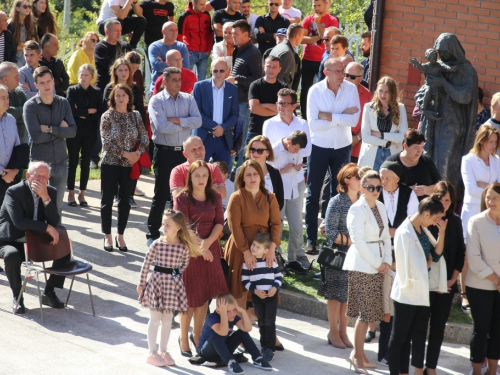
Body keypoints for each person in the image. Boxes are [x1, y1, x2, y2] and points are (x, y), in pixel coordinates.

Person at [305, 57, 360, 255]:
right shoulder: (315, 91)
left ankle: (335, 239)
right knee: (313, 193)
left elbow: (353, 120)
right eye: (337, 71)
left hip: (342, 147)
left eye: (343, 70)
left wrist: (329, 115)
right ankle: (311, 239)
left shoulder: (351, 89)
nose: (342, 75)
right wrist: (341, 115)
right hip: (319, 146)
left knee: (340, 194)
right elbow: (313, 124)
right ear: (326, 71)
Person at [0, 161, 71, 314]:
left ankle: (49, 292)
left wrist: (45, 198)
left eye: (45, 177)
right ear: (27, 176)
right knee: (12, 256)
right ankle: (17, 297)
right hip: (10, 238)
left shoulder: (50, 191)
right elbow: (19, 222)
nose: (41, 180)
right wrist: (46, 228)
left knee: (64, 249)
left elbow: (54, 221)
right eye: (37, 176)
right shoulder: (14, 191)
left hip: (34, 239)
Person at [388, 195, 448, 375]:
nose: (436, 222)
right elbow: (412, 265)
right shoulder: (405, 232)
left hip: (420, 292)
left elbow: (435, 256)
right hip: (407, 292)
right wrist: (427, 263)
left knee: (407, 339)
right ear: (426, 213)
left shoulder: (422, 229)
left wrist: (442, 233)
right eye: (436, 219)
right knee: (399, 338)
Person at [174, 160, 228, 357]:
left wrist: (206, 246)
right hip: (188, 250)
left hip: (210, 249)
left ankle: (197, 337)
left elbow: (219, 222)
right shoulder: (183, 198)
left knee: (204, 296)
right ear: (190, 177)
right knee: (188, 298)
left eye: (205, 175)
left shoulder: (214, 195)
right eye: (197, 175)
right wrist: (199, 247)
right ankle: (182, 337)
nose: (201, 179)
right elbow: (183, 227)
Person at [137, 209, 202, 367]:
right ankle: (151, 352)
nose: (164, 227)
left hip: (172, 286)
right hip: (156, 283)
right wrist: (141, 283)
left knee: (167, 320)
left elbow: (183, 265)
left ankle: (163, 351)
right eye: (163, 224)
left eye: (168, 224)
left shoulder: (183, 248)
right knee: (155, 319)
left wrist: (175, 281)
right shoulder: (157, 244)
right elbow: (146, 264)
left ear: (178, 227)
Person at [413, 182, 465, 375]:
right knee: (420, 326)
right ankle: (418, 366)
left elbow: (460, 253)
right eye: (441, 199)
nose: (444, 204)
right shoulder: (427, 220)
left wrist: (452, 280)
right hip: (425, 283)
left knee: (438, 328)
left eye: (448, 200)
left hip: (447, 285)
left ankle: (431, 367)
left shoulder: (456, 221)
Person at [146, 67, 202, 245]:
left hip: (184, 155)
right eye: (174, 80)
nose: (178, 83)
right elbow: (162, 127)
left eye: (179, 79)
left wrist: (178, 121)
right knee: (161, 193)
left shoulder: (188, 98)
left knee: (183, 194)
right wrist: (186, 123)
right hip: (164, 152)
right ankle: (153, 233)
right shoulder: (156, 101)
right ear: (164, 82)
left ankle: (179, 232)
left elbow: (198, 121)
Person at [343, 170, 392, 373]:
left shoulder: (380, 206)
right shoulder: (356, 209)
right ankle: (356, 356)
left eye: (378, 187)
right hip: (362, 266)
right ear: (362, 188)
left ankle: (360, 354)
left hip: (379, 264)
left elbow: (386, 237)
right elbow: (359, 242)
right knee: (364, 315)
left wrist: (387, 261)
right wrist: (376, 263)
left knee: (371, 313)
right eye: (371, 187)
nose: (375, 191)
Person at [224, 159, 281, 310]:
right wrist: (246, 252)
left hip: (263, 247)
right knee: (239, 289)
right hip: (240, 246)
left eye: (256, 174)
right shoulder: (236, 197)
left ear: (261, 176)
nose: (252, 178)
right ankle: (239, 325)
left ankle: (262, 326)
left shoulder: (270, 197)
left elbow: (276, 223)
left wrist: (272, 248)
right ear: (242, 178)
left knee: (263, 285)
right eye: (248, 175)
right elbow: (234, 226)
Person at [263, 89, 310, 269]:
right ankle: (276, 258)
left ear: (294, 105)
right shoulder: (270, 124)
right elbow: (266, 151)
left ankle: (294, 258)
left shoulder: (303, 123)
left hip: (296, 179)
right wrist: (283, 146)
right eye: (279, 102)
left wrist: (293, 151)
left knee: (297, 224)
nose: (281, 107)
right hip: (277, 181)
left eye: (285, 103)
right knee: (277, 223)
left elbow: (308, 149)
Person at [100, 84, 149, 252]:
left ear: (129, 98)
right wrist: (125, 154)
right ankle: (107, 235)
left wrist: (137, 153)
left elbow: (144, 138)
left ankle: (120, 235)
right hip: (110, 163)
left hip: (130, 165)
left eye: (123, 95)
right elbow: (106, 142)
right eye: (117, 95)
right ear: (113, 98)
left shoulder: (135, 115)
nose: (120, 98)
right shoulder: (107, 116)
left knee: (125, 201)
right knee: (107, 200)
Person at [23, 66, 76, 217]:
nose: (46, 86)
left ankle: (56, 240)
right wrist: (60, 131)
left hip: (60, 162)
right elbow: (36, 137)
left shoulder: (63, 103)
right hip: (39, 164)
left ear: (53, 81)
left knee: (57, 208)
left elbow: (72, 132)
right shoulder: (30, 107)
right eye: (42, 83)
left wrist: (49, 129)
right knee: (36, 207)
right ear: (36, 85)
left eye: (48, 81)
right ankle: (37, 240)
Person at [318, 163, 359, 350]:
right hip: (337, 256)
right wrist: (354, 241)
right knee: (335, 296)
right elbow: (331, 232)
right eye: (357, 177)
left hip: (355, 257)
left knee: (348, 297)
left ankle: (343, 331)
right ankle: (333, 331)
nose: (361, 181)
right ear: (347, 179)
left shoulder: (362, 201)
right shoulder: (336, 201)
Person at [460, 124, 500, 314]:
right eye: (490, 141)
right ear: (482, 140)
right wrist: (490, 190)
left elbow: (498, 190)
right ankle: (464, 294)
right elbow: (471, 190)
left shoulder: (497, 160)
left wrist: (485, 187)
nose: (493, 145)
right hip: (473, 212)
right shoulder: (468, 160)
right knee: (469, 254)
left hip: (493, 214)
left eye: (495, 142)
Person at [466, 182, 500, 375]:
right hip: (480, 285)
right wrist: (496, 280)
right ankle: (477, 369)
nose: (490, 201)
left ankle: (493, 371)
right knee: (481, 329)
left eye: (495, 197)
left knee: (497, 330)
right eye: (488, 197)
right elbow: (474, 258)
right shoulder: (476, 221)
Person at [198, 293, 273, 374]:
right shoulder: (212, 318)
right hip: (207, 352)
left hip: (223, 349)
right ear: (218, 311)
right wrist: (223, 313)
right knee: (216, 336)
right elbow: (223, 332)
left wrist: (243, 312)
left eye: (234, 310)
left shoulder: (233, 317)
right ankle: (231, 362)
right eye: (227, 311)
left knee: (242, 332)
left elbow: (247, 329)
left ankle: (257, 358)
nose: (232, 313)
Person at [242, 232, 283, 362]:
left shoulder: (270, 261)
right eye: (253, 245)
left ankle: (270, 348)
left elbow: (279, 277)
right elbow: (245, 280)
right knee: (261, 321)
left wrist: (274, 288)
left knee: (270, 322)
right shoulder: (247, 263)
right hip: (257, 297)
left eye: (258, 247)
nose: (253, 248)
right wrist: (255, 291)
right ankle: (264, 346)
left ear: (266, 250)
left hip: (271, 296)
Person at [228, 19, 263, 171]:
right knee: (232, 136)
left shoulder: (253, 53)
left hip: (243, 102)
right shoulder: (239, 50)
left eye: (235, 33)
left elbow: (257, 79)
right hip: (235, 100)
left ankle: (240, 172)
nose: (232, 36)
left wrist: (236, 79)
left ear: (246, 34)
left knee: (240, 139)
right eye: (231, 33)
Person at [66, 64, 101, 208]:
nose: (83, 77)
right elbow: (70, 111)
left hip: (90, 131)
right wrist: (88, 112)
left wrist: (81, 112)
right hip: (74, 130)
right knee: (73, 162)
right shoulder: (72, 90)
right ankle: (71, 193)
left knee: (85, 162)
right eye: (81, 74)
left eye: (86, 75)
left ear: (92, 77)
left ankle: (82, 194)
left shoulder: (97, 93)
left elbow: (98, 112)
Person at [192, 58, 239, 166]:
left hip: (224, 138)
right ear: (210, 70)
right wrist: (215, 127)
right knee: (198, 171)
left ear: (227, 71)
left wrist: (222, 128)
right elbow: (196, 112)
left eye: (221, 70)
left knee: (221, 176)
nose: (218, 74)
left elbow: (235, 114)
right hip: (203, 137)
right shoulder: (199, 87)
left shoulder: (233, 89)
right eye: (215, 70)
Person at [357, 76, 408, 171]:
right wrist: (388, 142)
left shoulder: (400, 108)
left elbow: (403, 137)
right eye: (380, 91)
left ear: (392, 93)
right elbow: (366, 137)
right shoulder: (369, 107)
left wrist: (380, 135)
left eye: (386, 92)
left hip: (393, 153)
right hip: (372, 154)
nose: (383, 95)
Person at [300, 0, 338, 120]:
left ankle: (320, 113)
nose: (316, 8)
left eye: (319, 5)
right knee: (305, 88)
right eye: (314, 5)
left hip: (323, 59)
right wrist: (317, 38)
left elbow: (328, 38)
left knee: (322, 87)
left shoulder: (332, 20)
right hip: (307, 58)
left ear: (326, 4)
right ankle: (304, 115)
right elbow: (302, 39)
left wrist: (317, 23)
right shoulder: (307, 19)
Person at [386, 129, 441, 200]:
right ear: (405, 146)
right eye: (416, 147)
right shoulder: (391, 163)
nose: (419, 151)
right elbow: (384, 188)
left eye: (422, 147)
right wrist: (407, 191)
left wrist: (426, 190)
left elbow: (440, 186)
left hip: (425, 208)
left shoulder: (427, 161)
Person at [235, 136, 284, 211]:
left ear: (268, 152)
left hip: (269, 217)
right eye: (252, 150)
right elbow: (237, 197)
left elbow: (280, 200)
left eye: (260, 151)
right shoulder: (241, 170)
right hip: (246, 216)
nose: (255, 153)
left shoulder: (274, 173)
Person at [169, 136, 226, 200]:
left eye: (200, 148)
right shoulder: (178, 171)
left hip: (210, 209)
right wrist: (211, 188)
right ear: (185, 154)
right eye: (193, 150)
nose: (198, 152)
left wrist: (189, 190)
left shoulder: (213, 169)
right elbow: (179, 198)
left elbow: (222, 194)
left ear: (204, 149)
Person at [247, 56, 287, 142]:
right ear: (264, 67)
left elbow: (286, 109)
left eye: (274, 67)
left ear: (279, 69)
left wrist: (264, 105)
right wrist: (277, 111)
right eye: (268, 66)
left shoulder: (284, 88)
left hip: (276, 131)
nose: (271, 70)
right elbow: (254, 109)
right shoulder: (255, 85)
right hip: (256, 131)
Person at [177, 0, 213, 81]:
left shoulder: (206, 15)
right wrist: (184, 51)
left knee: (202, 80)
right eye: (201, 5)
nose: (204, 6)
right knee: (186, 79)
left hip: (204, 53)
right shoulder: (184, 16)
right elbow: (179, 35)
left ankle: (200, 94)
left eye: (204, 4)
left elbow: (209, 33)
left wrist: (208, 49)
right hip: (190, 52)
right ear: (193, 4)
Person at [149, 22, 190, 92]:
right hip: (159, 88)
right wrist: (177, 64)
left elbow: (185, 67)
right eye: (171, 30)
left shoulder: (182, 46)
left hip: (178, 89)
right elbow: (157, 66)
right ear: (163, 32)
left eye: (176, 30)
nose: (174, 33)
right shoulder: (154, 47)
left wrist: (164, 63)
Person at [344, 62, 372, 163]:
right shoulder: (336, 90)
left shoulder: (367, 95)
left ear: (361, 78)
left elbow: (370, 121)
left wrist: (358, 138)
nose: (347, 79)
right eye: (346, 75)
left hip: (356, 147)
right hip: (337, 143)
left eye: (352, 77)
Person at [94, 19, 132, 92]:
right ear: (107, 31)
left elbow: (133, 65)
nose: (119, 33)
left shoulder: (125, 46)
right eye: (116, 31)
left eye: (120, 30)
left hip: (124, 88)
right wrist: (125, 60)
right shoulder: (100, 47)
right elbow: (110, 67)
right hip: (105, 88)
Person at [0, 84, 21, 202]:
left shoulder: (11, 119)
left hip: (11, 177)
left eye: (7, 97)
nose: (6, 101)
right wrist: (3, 172)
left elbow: (17, 147)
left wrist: (15, 171)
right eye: (3, 98)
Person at [269, 23, 303, 91]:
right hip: (279, 96)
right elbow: (278, 78)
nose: (303, 38)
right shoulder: (287, 52)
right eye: (302, 35)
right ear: (296, 36)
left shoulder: (279, 47)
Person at [0, 62, 27, 143]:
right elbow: (5, 112)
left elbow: (28, 114)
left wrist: (14, 113)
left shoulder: (20, 93)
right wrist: (20, 111)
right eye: (16, 77)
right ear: (5, 79)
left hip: (18, 148)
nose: (19, 79)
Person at [8, 0, 37, 67]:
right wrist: (25, 45)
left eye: (29, 7)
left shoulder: (31, 24)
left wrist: (23, 46)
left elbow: (34, 42)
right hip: (15, 59)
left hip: (27, 58)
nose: (28, 9)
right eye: (25, 7)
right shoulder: (11, 24)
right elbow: (10, 46)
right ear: (17, 8)